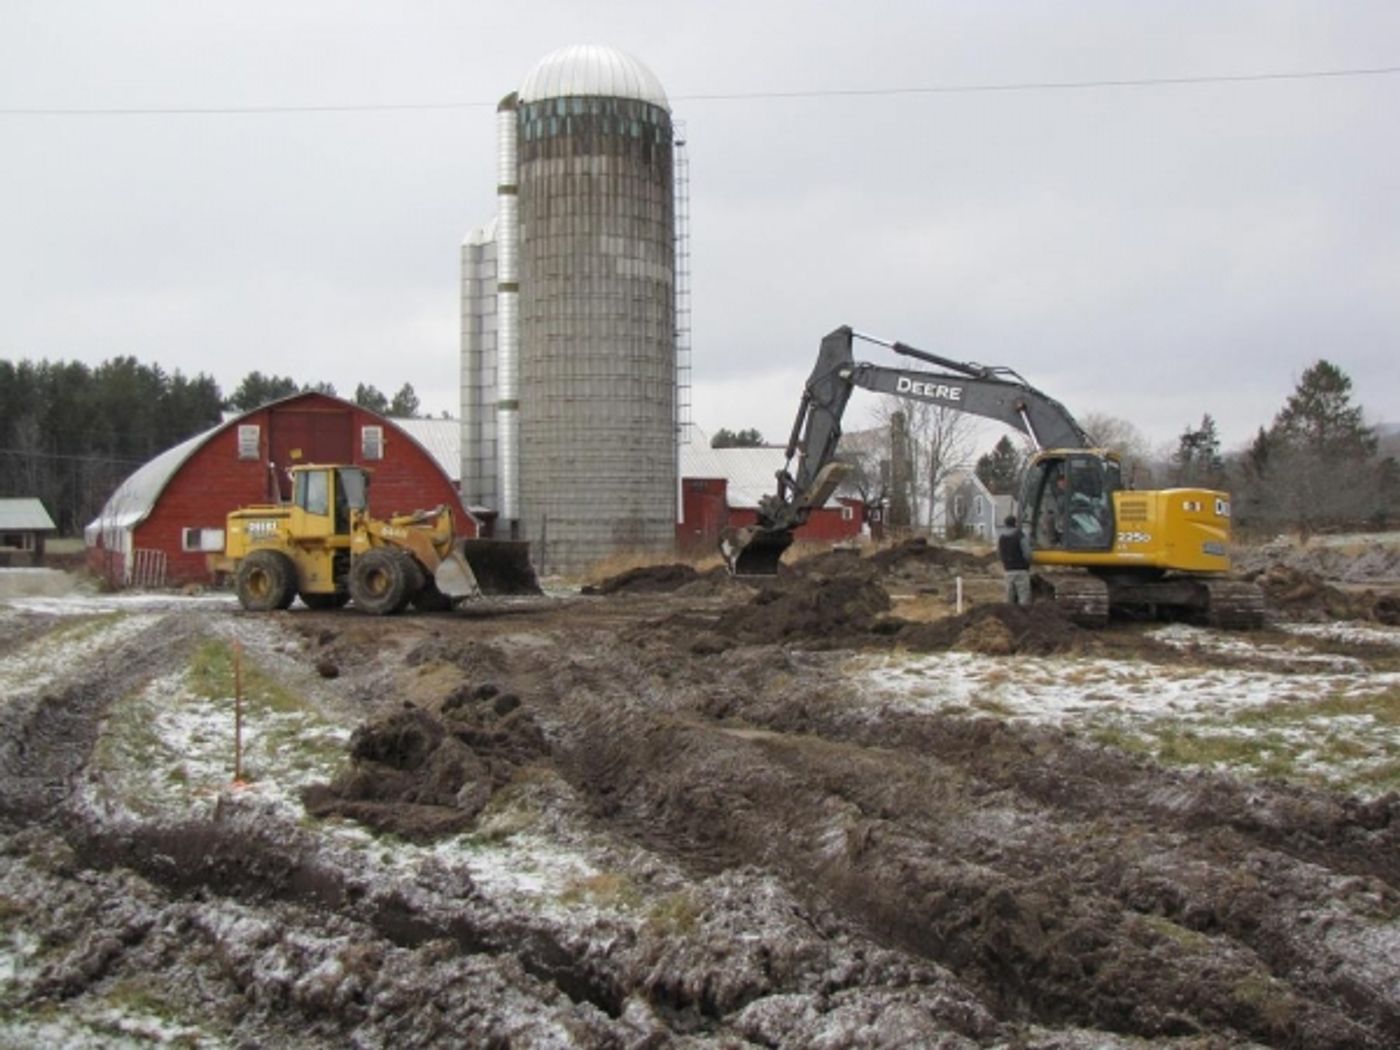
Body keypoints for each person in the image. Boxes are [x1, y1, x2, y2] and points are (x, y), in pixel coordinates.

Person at [997, 514, 1032, 606]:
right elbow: (1027, 553)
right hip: (1021, 570)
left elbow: (999, 554)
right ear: (1015, 523)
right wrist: (1028, 563)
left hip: (1008, 571)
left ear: (1005, 524)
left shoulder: (1002, 538)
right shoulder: (1020, 536)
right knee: (1024, 598)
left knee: (1009, 598)